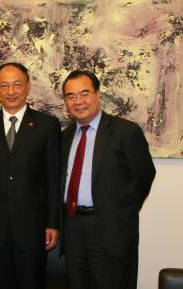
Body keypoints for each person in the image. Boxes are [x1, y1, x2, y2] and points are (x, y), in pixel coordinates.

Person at [60, 70, 156, 289]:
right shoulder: (64, 137)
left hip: (110, 229)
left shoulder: (125, 131)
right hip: (73, 227)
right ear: (66, 101)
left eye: (84, 93)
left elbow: (144, 176)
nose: (78, 101)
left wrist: (120, 210)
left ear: (98, 94)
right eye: (71, 96)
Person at [0, 63, 62, 289]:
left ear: (28, 86)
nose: (11, 91)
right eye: (4, 85)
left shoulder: (47, 125)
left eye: (17, 85)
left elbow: (53, 179)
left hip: (33, 226)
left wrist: (53, 223)